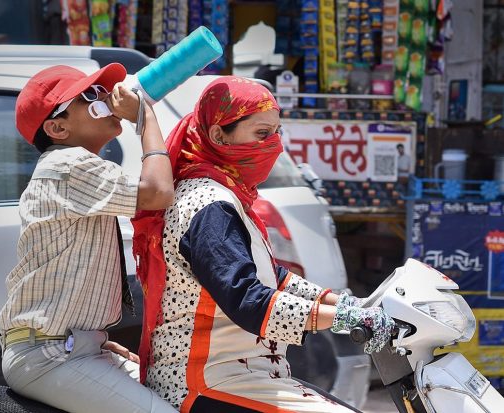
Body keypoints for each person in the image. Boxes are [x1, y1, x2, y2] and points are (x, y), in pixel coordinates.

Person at [132, 76, 395, 412]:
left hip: (248, 374)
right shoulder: (207, 203)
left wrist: (350, 305)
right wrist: (345, 319)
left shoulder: (227, 196)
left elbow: (273, 276)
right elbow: (247, 300)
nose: (274, 145)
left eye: (276, 133)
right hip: (203, 382)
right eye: (261, 134)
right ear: (218, 136)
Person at [0, 63, 178, 413]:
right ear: (57, 127)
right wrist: (146, 118)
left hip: (70, 349)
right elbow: (157, 191)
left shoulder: (82, 169)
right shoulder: (67, 164)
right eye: (90, 95)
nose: (108, 99)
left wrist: (92, 342)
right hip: (51, 356)